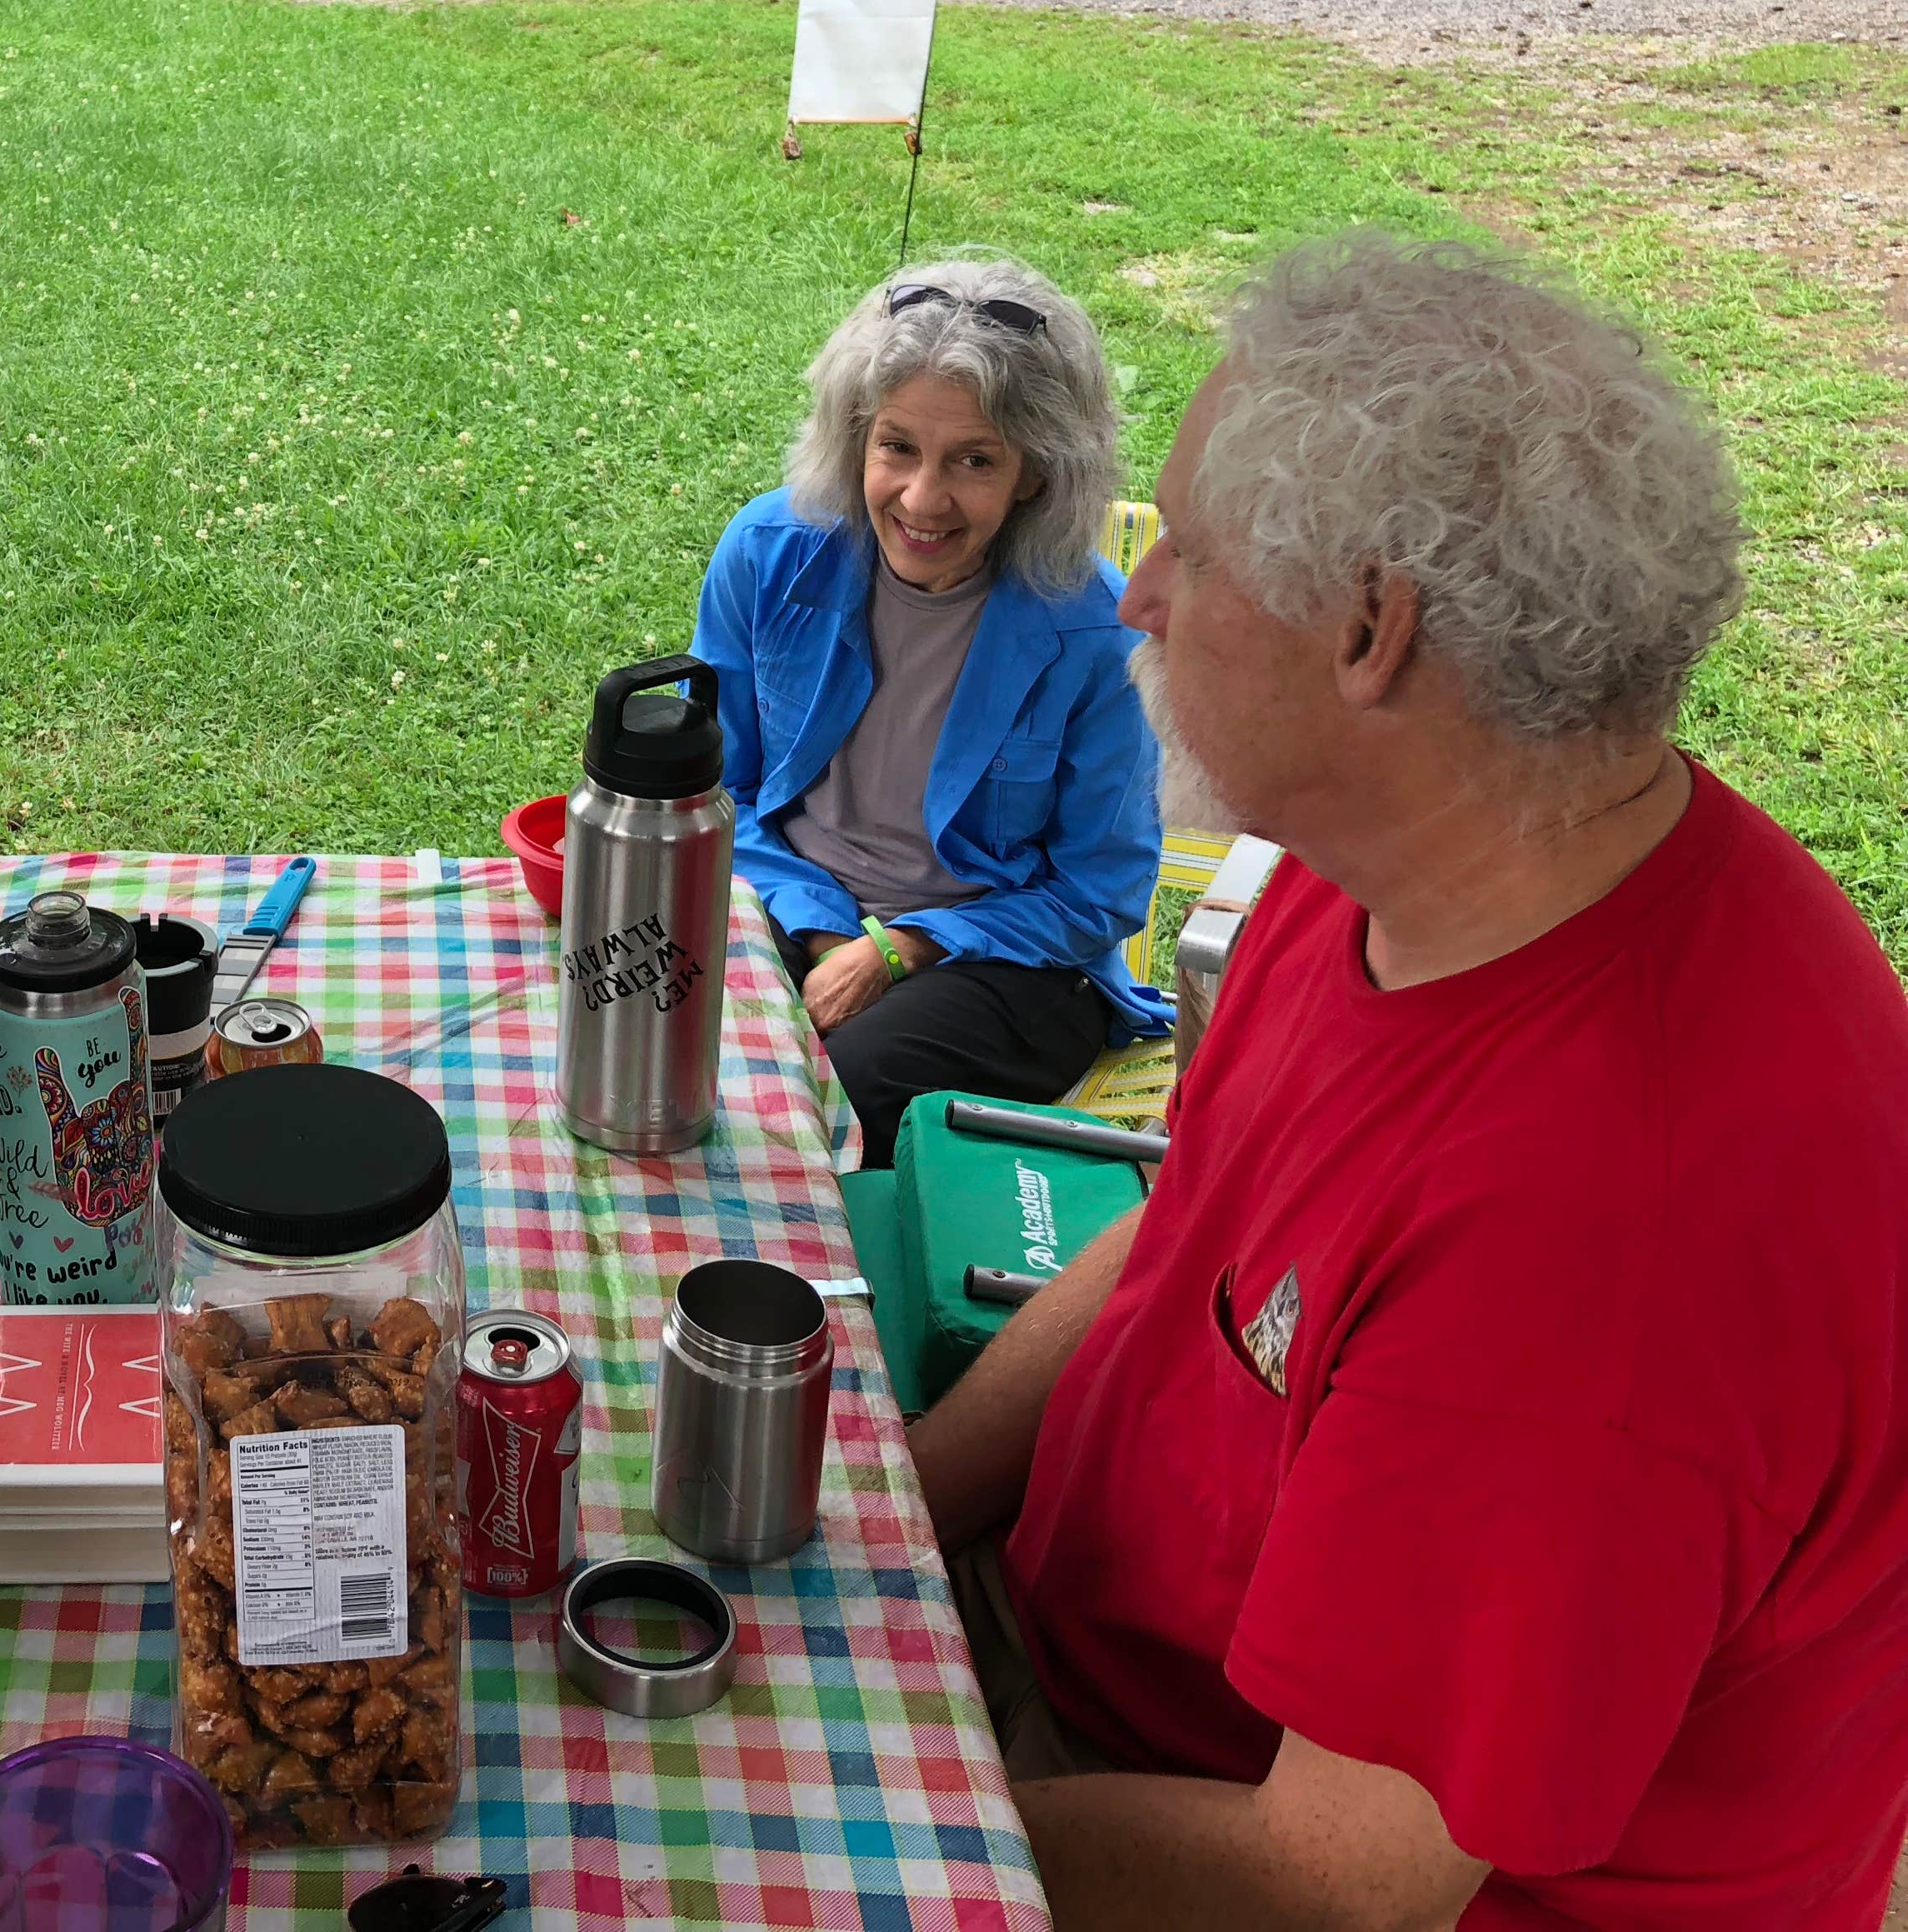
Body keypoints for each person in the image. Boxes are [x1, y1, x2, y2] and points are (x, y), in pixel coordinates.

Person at [911, 238, 1908, 1929]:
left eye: (1189, 549)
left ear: (1371, 630)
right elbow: (1186, 1236)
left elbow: (1331, 1884)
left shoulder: (1600, 1233)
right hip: (1110, 1674)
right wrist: (890, 1506)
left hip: (1224, 1841)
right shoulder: (1422, 853)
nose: (1137, 595)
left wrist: (871, 1821)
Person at [692, 257, 1165, 1168]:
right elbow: (712, 790)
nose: (921, 498)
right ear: (855, 439)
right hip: (784, 897)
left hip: (1003, 961)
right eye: (897, 447)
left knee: (834, 1093)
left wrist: (901, 949)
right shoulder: (768, 552)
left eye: (975, 460)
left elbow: (1098, 892)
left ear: (1036, 475)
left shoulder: (1100, 634)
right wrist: (826, 928)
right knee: (652, 1020)